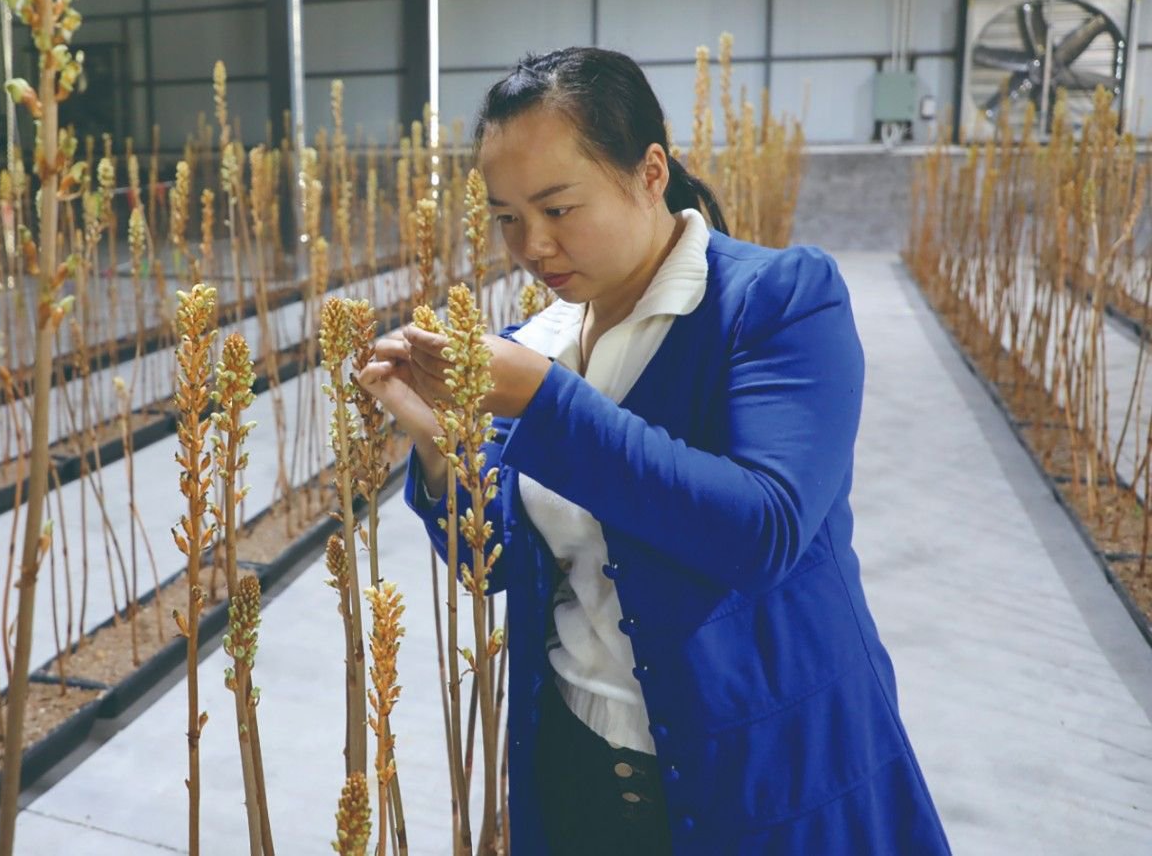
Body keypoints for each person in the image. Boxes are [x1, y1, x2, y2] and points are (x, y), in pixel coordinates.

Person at [356, 48, 950, 855]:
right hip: (576, 765)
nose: (531, 246)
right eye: (506, 218)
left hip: (758, 772)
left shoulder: (774, 304)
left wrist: (542, 400)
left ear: (649, 172)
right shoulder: (539, 340)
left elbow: (762, 530)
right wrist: (435, 442)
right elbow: (499, 565)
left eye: (559, 209)